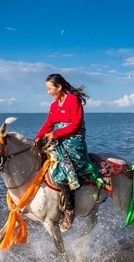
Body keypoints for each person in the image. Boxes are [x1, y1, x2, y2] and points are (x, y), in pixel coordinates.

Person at [34, 74, 97, 232]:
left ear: (59, 87)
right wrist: (38, 138)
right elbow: (49, 124)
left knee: (61, 172)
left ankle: (69, 211)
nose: (48, 92)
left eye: (50, 88)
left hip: (73, 140)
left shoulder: (73, 100)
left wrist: (55, 135)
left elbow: (75, 125)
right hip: (58, 138)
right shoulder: (54, 105)